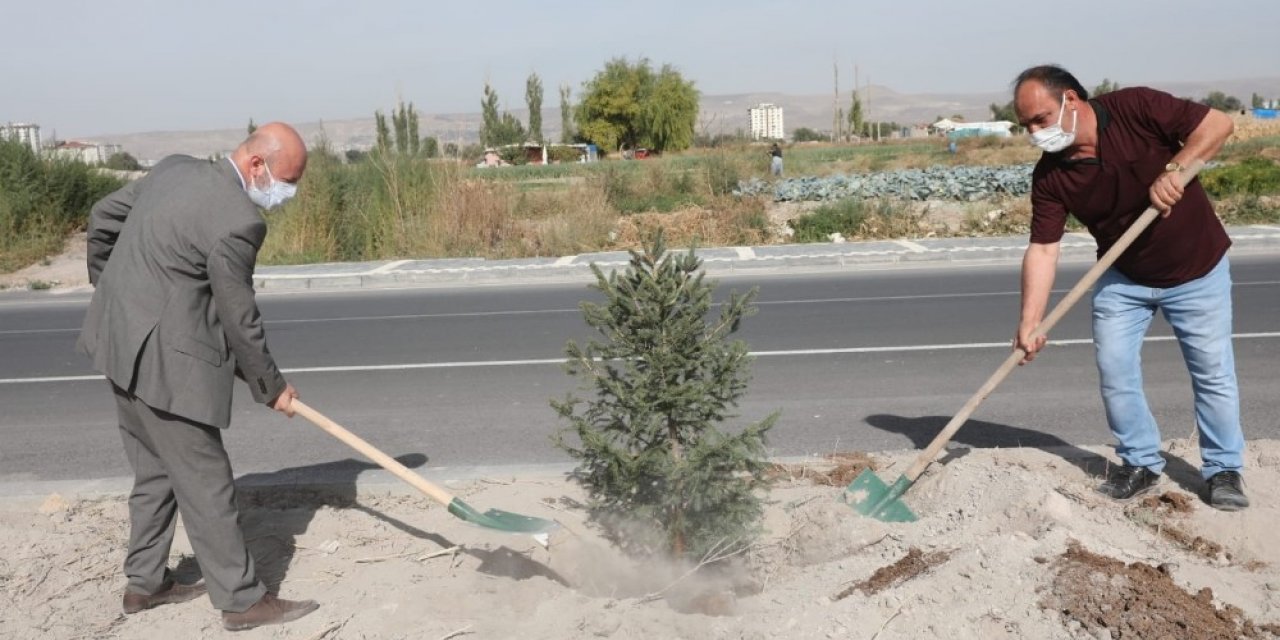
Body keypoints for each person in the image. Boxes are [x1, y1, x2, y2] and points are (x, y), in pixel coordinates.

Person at [78, 122, 322, 630]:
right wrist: (271, 387)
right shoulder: (238, 221)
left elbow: (103, 219)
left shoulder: (173, 169)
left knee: (154, 470)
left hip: (117, 343)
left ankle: (144, 585)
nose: (286, 194)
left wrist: (112, 291)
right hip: (167, 367)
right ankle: (241, 600)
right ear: (257, 165)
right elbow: (239, 318)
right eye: (286, 181)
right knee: (209, 484)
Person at [1010, 65, 1247, 510]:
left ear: (1072, 101)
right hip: (1123, 276)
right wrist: (1030, 322)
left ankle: (1223, 470)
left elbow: (1219, 125)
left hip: (1197, 268)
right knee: (1116, 370)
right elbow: (1043, 250)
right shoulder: (1051, 177)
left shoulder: (1135, 107)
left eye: (1040, 119)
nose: (1035, 133)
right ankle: (1139, 463)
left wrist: (1177, 169)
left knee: (1212, 373)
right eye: (1026, 126)